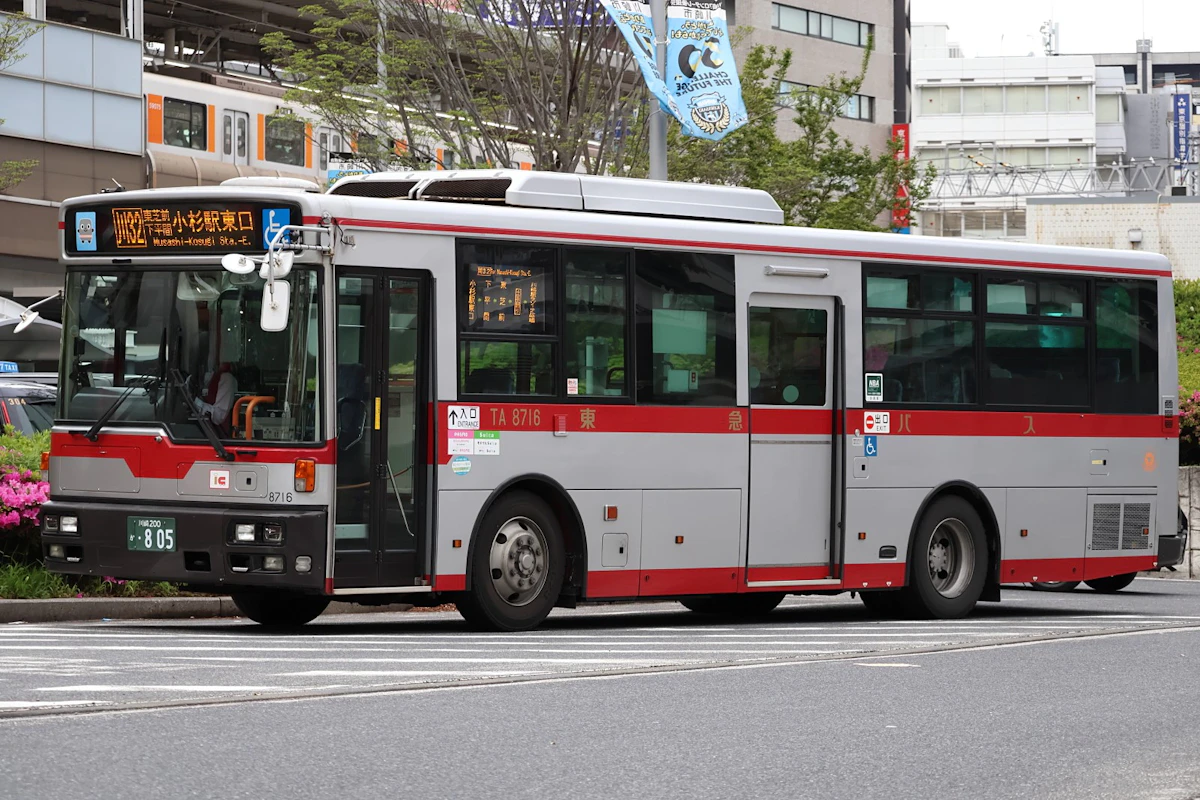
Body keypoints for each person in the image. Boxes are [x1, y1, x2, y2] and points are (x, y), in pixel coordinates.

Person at [197, 363, 238, 434]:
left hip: (217, 436)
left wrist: (197, 403)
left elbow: (219, 416)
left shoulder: (226, 378)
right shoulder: (213, 375)